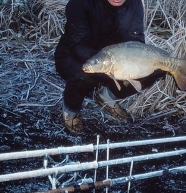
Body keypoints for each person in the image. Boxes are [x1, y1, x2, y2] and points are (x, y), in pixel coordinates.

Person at [55, 0, 164, 134]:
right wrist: (104, 61)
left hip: (117, 58)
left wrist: (132, 63)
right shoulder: (80, 3)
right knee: (84, 75)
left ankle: (106, 97)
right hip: (76, 55)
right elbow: (77, 45)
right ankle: (71, 111)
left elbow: (136, 42)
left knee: (154, 70)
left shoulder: (134, 3)